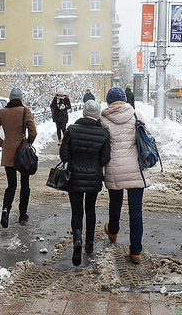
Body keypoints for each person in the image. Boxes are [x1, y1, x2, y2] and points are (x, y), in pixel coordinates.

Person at [100, 86, 149, 264]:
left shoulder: (103, 118)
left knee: (115, 203)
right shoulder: (137, 115)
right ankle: (135, 251)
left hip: (114, 168)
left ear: (109, 101)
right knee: (136, 211)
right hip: (136, 167)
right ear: (124, 100)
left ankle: (113, 231)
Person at [60, 99, 111, 266]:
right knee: (90, 209)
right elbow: (105, 158)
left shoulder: (72, 130)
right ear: (97, 115)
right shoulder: (103, 134)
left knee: (76, 212)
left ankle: (77, 241)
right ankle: (89, 244)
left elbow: (64, 156)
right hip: (94, 177)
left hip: (74, 177)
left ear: (83, 113)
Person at [0, 88, 37, 228]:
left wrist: (3, 144)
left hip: (8, 153)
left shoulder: (3, 112)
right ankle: (23, 214)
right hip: (22, 154)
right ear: (21, 99)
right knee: (25, 185)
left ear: (10, 99)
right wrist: (28, 142)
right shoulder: (25, 111)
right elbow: (33, 132)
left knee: (11, 185)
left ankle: (5, 210)